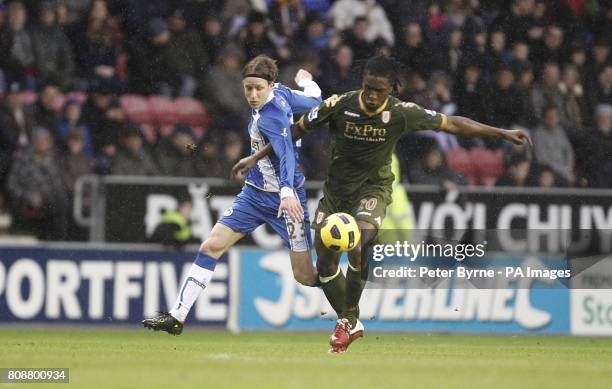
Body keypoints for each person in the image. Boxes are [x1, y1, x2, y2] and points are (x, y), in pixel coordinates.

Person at [232, 55, 531, 353]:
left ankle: (347, 320)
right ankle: (350, 320)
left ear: (392, 89)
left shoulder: (402, 112)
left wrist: (502, 133)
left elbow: (451, 124)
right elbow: (293, 131)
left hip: (373, 188)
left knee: (359, 240)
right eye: (368, 88)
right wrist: (254, 157)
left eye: (380, 90)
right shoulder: (340, 105)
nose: (373, 95)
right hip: (337, 192)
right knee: (323, 259)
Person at [142, 55, 322, 335]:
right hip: (253, 194)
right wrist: (309, 84)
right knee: (211, 247)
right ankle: (177, 317)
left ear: (270, 86)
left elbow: (287, 153)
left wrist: (287, 192)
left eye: (257, 89)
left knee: (306, 276)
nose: (252, 94)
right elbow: (313, 104)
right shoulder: (283, 94)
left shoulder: (272, 116)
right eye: (247, 88)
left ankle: (349, 297)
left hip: (286, 201)